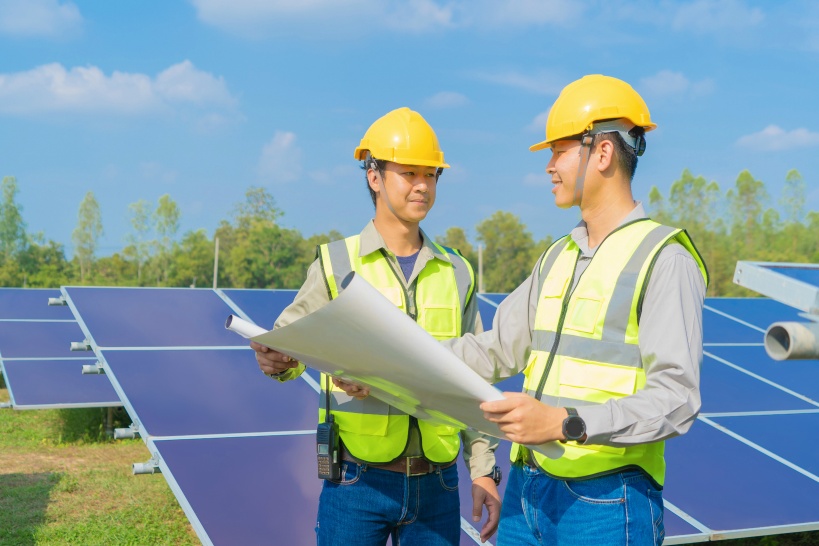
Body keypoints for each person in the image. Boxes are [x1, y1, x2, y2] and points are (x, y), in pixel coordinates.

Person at [439, 75, 709, 545]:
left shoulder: (664, 257)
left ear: (601, 153)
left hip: (606, 501)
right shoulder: (556, 256)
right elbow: (497, 349)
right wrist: (387, 363)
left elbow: (677, 399)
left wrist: (565, 423)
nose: (548, 166)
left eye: (558, 150)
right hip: (527, 491)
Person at [251, 107, 501, 545]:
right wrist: (276, 360)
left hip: (438, 485)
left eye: (431, 174)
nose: (422, 184)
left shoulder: (457, 271)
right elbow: (289, 350)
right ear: (374, 177)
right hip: (356, 483)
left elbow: (472, 380)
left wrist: (482, 470)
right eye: (408, 173)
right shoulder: (335, 263)